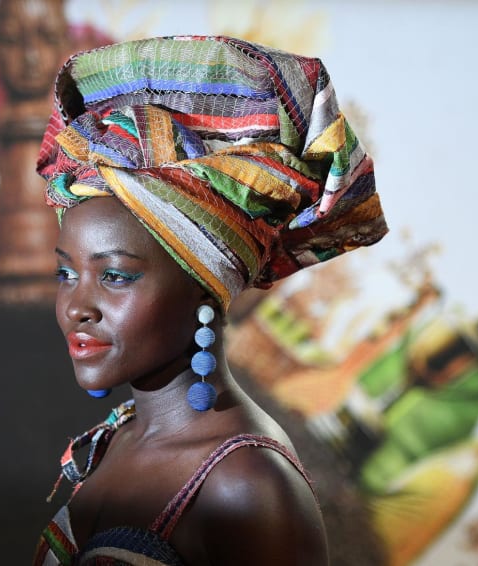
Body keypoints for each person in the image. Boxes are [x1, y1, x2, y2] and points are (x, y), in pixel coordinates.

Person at [33, 36, 387, 565]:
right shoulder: (115, 441)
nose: (77, 306)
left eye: (115, 277)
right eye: (66, 272)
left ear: (205, 282)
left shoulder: (243, 485)